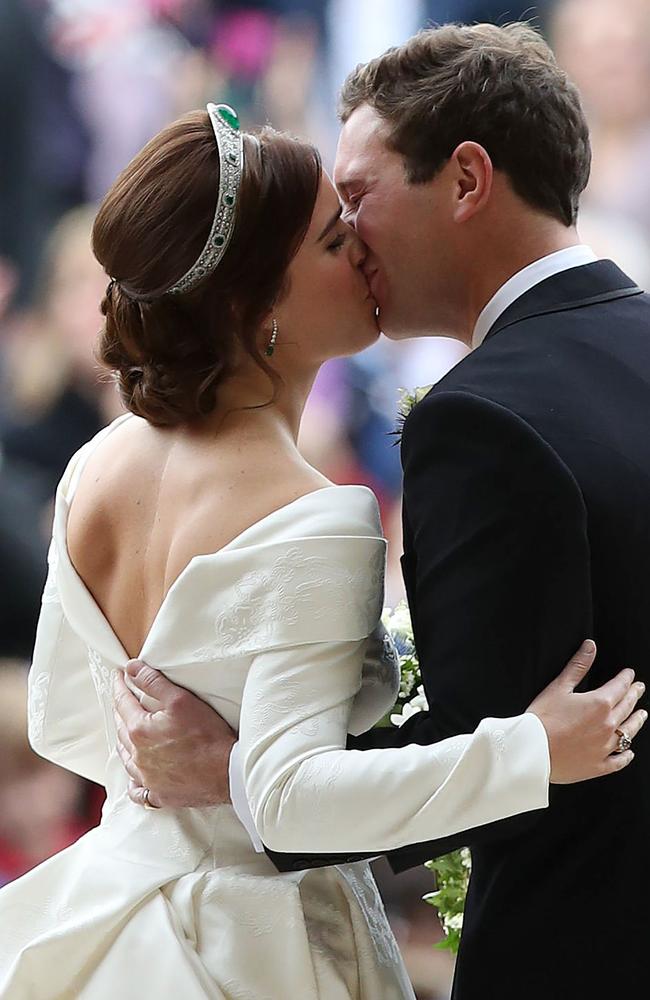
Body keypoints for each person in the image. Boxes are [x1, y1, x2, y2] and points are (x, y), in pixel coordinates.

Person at [0, 100, 643, 998]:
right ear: (254, 303)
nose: (365, 255)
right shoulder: (315, 515)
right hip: (254, 950)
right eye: (333, 245)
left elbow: (64, 717)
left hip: (114, 921)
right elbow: (291, 798)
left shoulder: (99, 463)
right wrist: (529, 751)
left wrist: (202, 777)